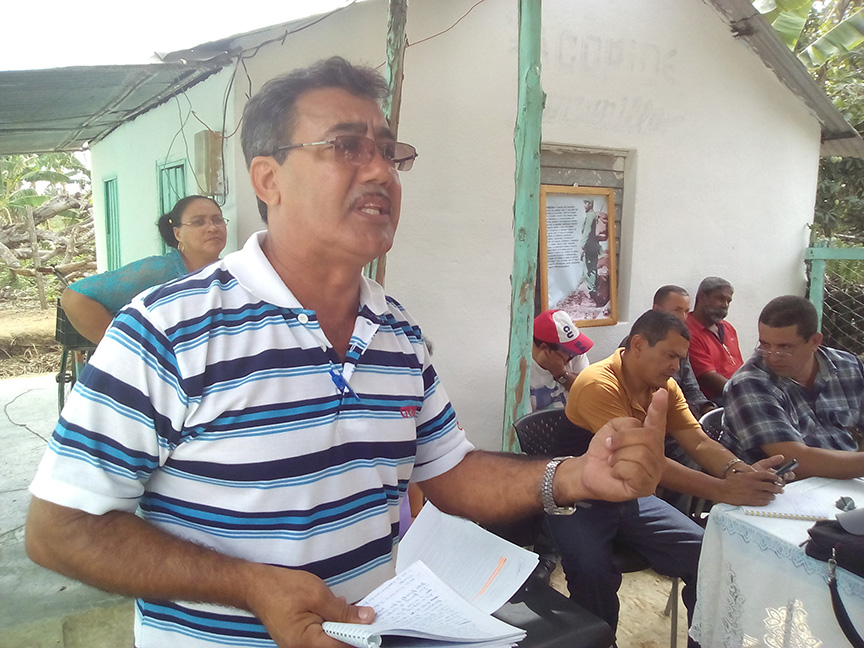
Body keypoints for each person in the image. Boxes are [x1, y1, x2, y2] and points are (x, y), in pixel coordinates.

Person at [25, 57, 668, 648]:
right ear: (268, 179)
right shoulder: (170, 329)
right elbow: (61, 529)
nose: (381, 170)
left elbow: (446, 472)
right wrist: (252, 584)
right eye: (347, 147)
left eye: (390, 153)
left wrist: (573, 476)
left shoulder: (398, 332)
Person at [546, 309, 785, 640]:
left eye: (680, 359)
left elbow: (698, 442)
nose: (676, 366)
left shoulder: (666, 387)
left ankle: (704, 641)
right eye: (670, 356)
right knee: (592, 574)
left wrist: (740, 472)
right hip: (577, 498)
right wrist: (725, 490)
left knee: (708, 557)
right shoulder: (596, 383)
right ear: (640, 344)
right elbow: (645, 460)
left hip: (630, 498)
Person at [724, 295, 864, 477]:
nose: (772, 357)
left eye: (785, 347)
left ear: (814, 341)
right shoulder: (748, 383)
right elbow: (795, 460)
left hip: (845, 480)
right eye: (765, 345)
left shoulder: (849, 367)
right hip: (783, 489)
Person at [60, 195, 228, 343]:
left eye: (218, 220)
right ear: (178, 234)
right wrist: (119, 347)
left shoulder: (232, 270)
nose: (213, 228)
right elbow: (74, 297)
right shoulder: (159, 271)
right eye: (198, 222)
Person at [652, 285, 714, 418]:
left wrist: (708, 409)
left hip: (685, 414)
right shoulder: (643, 343)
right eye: (677, 310)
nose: (683, 317)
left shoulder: (679, 345)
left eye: (686, 311)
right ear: (656, 310)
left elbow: (691, 388)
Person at [685, 276, 744, 402]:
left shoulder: (728, 328)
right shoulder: (688, 331)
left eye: (729, 301)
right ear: (702, 297)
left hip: (739, 389)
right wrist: (742, 394)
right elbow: (708, 377)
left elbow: (740, 367)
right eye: (720, 298)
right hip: (717, 397)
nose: (725, 305)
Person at [530, 309, 593, 411]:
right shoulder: (522, 371)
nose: (575, 355)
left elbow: (589, 394)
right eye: (570, 353)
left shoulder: (576, 353)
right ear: (545, 349)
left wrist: (560, 374)